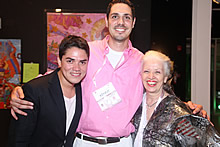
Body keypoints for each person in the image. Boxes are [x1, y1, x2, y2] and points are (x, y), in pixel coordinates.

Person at [10, 0, 207, 146]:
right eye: (115, 16)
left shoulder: (142, 60)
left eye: (126, 17)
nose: (120, 22)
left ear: (134, 22)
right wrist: (21, 90)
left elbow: (160, 93)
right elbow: (56, 75)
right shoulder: (87, 50)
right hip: (82, 142)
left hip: (121, 143)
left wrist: (186, 108)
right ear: (106, 21)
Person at [9, 35, 89, 147]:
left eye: (82, 62)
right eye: (70, 61)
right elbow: (19, 139)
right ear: (59, 61)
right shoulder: (34, 90)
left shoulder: (83, 89)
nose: (77, 68)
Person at [132, 50, 220, 146]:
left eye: (157, 72)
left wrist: (198, 120)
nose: (151, 76)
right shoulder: (134, 104)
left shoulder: (177, 112)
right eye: (146, 71)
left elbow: (209, 142)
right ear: (141, 75)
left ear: (165, 77)